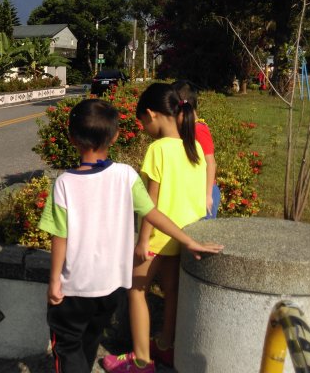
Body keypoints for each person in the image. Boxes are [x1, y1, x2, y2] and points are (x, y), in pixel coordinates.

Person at [39, 98, 223, 373]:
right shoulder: (126, 176)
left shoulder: (65, 183)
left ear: (72, 138)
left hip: (75, 288)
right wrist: (189, 241)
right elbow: (153, 213)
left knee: (67, 346)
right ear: (115, 136)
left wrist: (55, 281)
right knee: (90, 339)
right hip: (112, 288)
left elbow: (60, 236)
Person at [103, 83, 209, 373]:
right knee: (172, 291)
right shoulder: (195, 148)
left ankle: (140, 360)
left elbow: (151, 201)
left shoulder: (157, 149)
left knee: (137, 291)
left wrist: (143, 239)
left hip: (158, 236)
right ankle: (165, 345)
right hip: (184, 235)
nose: (143, 129)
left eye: (142, 122)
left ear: (151, 114)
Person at [172, 80, 220, 218]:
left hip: (205, 191)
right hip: (195, 189)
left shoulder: (198, 129)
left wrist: (207, 195)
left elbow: (211, 163)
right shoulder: (189, 129)